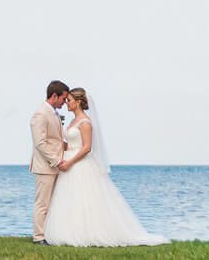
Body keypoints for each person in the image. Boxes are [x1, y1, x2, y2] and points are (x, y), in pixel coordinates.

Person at [44, 87, 167, 247]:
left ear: (78, 102)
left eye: (70, 100)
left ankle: (87, 233)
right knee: (70, 200)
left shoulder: (86, 122)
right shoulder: (72, 121)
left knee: (84, 199)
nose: (66, 103)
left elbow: (87, 148)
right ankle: (69, 232)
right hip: (67, 162)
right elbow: (70, 144)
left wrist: (70, 162)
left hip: (78, 164)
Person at [29, 79, 70, 242]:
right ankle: (38, 237)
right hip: (45, 167)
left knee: (52, 204)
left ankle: (49, 234)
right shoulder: (40, 114)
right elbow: (40, 143)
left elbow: (56, 140)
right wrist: (57, 161)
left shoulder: (53, 113)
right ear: (54, 96)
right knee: (42, 204)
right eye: (63, 98)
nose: (65, 102)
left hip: (54, 166)